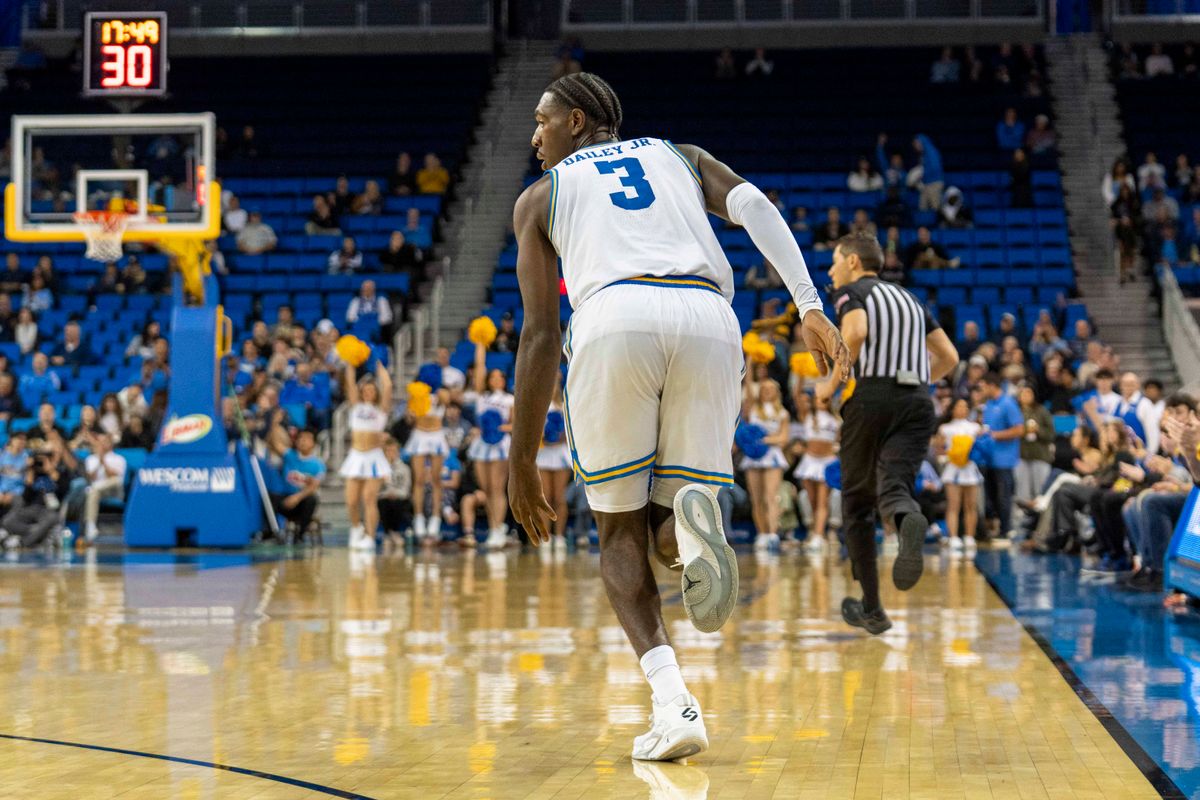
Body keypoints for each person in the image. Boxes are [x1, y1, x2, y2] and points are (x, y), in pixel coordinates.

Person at [508, 72, 849, 762]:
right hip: (709, 321)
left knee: (617, 531)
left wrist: (520, 462)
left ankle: (676, 704)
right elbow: (754, 205)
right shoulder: (679, 155)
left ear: (577, 122)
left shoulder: (541, 197)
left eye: (542, 121)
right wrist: (809, 302)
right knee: (668, 526)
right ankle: (693, 537)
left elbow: (541, 335)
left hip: (615, 318)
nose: (533, 135)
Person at [821, 231, 958, 635]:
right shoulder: (912, 300)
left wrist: (831, 383)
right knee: (895, 485)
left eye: (833, 262)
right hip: (917, 401)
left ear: (852, 261)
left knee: (858, 504)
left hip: (872, 397)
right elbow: (950, 357)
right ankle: (909, 518)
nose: (830, 271)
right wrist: (916, 384)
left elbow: (858, 331)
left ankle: (873, 608)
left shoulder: (853, 293)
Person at [338, 360, 393, 552]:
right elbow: (350, 382)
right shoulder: (355, 407)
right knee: (351, 500)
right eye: (366, 390)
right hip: (356, 456)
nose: (369, 392)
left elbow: (388, 388)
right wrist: (351, 361)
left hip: (374, 457)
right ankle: (356, 527)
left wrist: (381, 369)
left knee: (369, 498)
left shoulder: (380, 410)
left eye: (372, 390)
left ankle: (370, 536)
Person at [467, 340, 515, 551]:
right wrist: (480, 345)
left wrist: (499, 428)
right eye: (492, 377)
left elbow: (515, 425)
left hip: (500, 445)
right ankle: (493, 526)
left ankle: (499, 528)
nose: (496, 379)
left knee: (497, 488)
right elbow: (479, 370)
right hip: (482, 445)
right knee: (486, 488)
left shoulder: (509, 399)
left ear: (504, 380)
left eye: (499, 377)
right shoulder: (482, 396)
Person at [739, 378, 790, 552]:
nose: (767, 391)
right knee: (756, 498)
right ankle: (761, 534)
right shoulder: (753, 408)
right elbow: (747, 384)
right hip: (753, 458)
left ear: (777, 391)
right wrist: (751, 358)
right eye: (764, 388)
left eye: (770, 388)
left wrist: (764, 440)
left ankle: (772, 533)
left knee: (770, 497)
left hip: (772, 456)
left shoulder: (782, 413)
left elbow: (783, 439)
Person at [977, 372, 1024, 541]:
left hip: (1004, 460)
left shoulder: (1008, 403)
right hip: (989, 459)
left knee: (1003, 496)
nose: (981, 391)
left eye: (983, 387)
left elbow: (1019, 429)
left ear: (992, 385)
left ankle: (1007, 529)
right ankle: (995, 528)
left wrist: (996, 435)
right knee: (991, 497)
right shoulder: (988, 405)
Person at [404, 384, 449, 545]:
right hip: (419, 435)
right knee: (419, 480)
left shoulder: (441, 393)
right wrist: (411, 407)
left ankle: (436, 517)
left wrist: (438, 393)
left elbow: (447, 400)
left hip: (437, 435)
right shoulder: (416, 396)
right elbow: (409, 419)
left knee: (436, 480)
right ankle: (419, 517)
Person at [938, 397, 983, 554]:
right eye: (959, 406)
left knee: (971, 505)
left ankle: (970, 536)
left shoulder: (975, 427)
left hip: (970, 468)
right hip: (953, 468)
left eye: (965, 406)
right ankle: (953, 536)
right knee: (953, 505)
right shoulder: (945, 428)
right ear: (952, 409)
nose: (962, 409)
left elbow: (982, 445)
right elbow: (939, 448)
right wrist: (950, 455)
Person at [536, 374, 572, 551]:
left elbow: (571, 433)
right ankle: (545, 536)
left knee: (559, 497)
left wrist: (560, 438)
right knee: (545, 497)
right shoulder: (537, 406)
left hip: (560, 454)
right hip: (543, 453)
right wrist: (543, 438)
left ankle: (559, 536)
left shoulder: (565, 405)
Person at [81, 432, 126, 544]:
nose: (102, 444)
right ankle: (90, 526)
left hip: (114, 490)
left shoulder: (119, 459)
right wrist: (98, 462)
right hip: (98, 492)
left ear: (111, 444)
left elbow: (117, 478)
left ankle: (96, 488)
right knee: (94, 491)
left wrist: (103, 461)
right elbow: (91, 477)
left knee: (114, 481)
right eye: (100, 442)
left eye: (105, 441)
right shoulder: (90, 459)